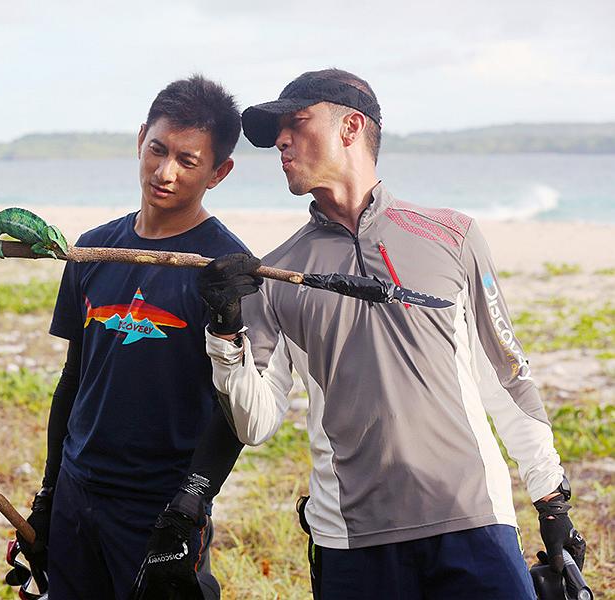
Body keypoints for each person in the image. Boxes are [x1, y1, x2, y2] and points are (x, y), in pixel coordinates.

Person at [197, 69, 586, 599]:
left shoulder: (454, 236)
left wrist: (552, 502)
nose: (282, 141)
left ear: (351, 126)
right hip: (350, 541)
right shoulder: (276, 273)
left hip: (472, 521)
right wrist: (224, 331)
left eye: (297, 122)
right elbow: (255, 421)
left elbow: (508, 378)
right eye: (278, 131)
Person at [15, 75, 251, 600]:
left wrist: (192, 502)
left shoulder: (223, 271)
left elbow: (233, 407)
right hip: (79, 492)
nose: (164, 172)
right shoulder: (93, 251)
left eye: (188, 161)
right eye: (156, 150)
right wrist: (50, 491)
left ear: (220, 172)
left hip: (159, 505)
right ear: (141, 137)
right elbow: (74, 379)